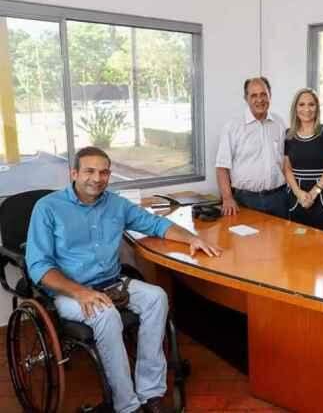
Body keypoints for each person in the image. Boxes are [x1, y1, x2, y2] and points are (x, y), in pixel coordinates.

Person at [26, 146, 222, 413]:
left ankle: (150, 392)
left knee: (156, 297)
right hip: (69, 292)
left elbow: (156, 225)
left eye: (104, 172)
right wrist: (80, 292)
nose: (97, 178)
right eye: (89, 171)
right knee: (107, 315)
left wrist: (192, 238)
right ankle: (126, 405)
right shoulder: (47, 208)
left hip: (112, 282)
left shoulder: (116, 204)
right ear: (74, 173)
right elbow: (38, 266)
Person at [216, 77, 288, 218]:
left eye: (263, 94)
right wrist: (227, 198)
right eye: (254, 95)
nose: (259, 100)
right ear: (246, 98)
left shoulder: (279, 123)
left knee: (280, 240)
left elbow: (285, 161)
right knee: (246, 240)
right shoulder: (233, 126)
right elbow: (221, 167)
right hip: (246, 200)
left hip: (279, 198)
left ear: (270, 95)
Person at [283, 88, 323, 232]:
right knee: (298, 242)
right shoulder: (288, 135)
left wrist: (314, 192)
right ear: (295, 108)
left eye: (311, 104)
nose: (307, 109)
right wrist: (298, 193)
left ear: (317, 108)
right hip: (297, 197)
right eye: (301, 104)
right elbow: (287, 168)